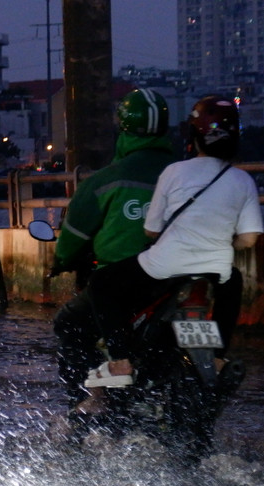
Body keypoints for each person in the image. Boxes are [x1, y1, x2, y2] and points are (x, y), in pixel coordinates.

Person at [79, 95, 262, 411]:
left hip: (163, 268)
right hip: (214, 269)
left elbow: (151, 231)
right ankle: (217, 358)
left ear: (193, 136)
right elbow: (248, 239)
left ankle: (121, 362)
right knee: (232, 282)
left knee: (100, 285)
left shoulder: (174, 172)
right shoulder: (242, 180)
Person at [51, 88, 177, 412]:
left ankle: (93, 400)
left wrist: (61, 261)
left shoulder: (107, 181)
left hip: (126, 283)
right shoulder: (187, 175)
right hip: (184, 278)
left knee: (69, 323)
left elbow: (72, 237)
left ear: (122, 128)